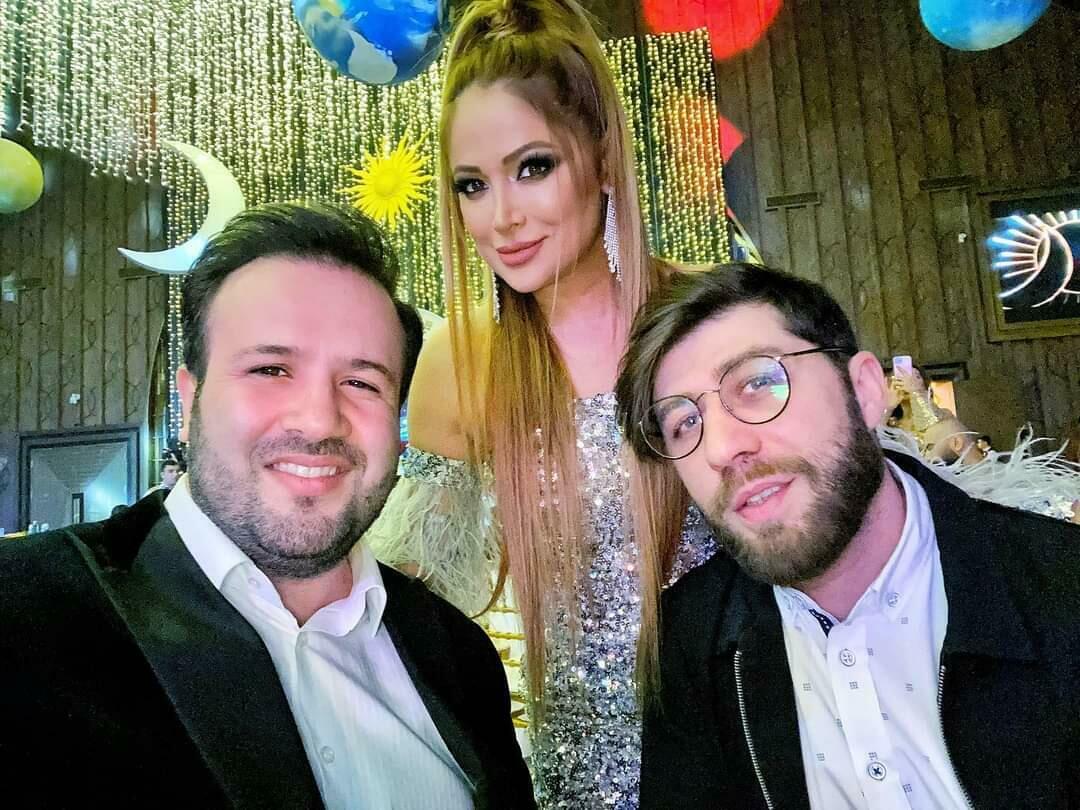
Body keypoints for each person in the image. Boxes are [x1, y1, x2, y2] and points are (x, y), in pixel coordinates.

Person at [0, 202, 533, 809]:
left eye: (362, 382)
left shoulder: (462, 657)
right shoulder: (24, 618)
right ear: (190, 399)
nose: (319, 419)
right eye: (271, 368)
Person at [365, 1, 715, 806]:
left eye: (532, 167)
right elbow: (407, 604)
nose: (503, 218)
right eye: (472, 185)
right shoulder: (462, 362)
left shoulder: (717, 318)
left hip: (746, 762)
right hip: (569, 785)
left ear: (602, 157)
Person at [615, 264, 1080, 809]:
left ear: (863, 391)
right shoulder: (691, 639)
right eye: (684, 424)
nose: (720, 449)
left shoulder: (1060, 586)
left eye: (758, 383)